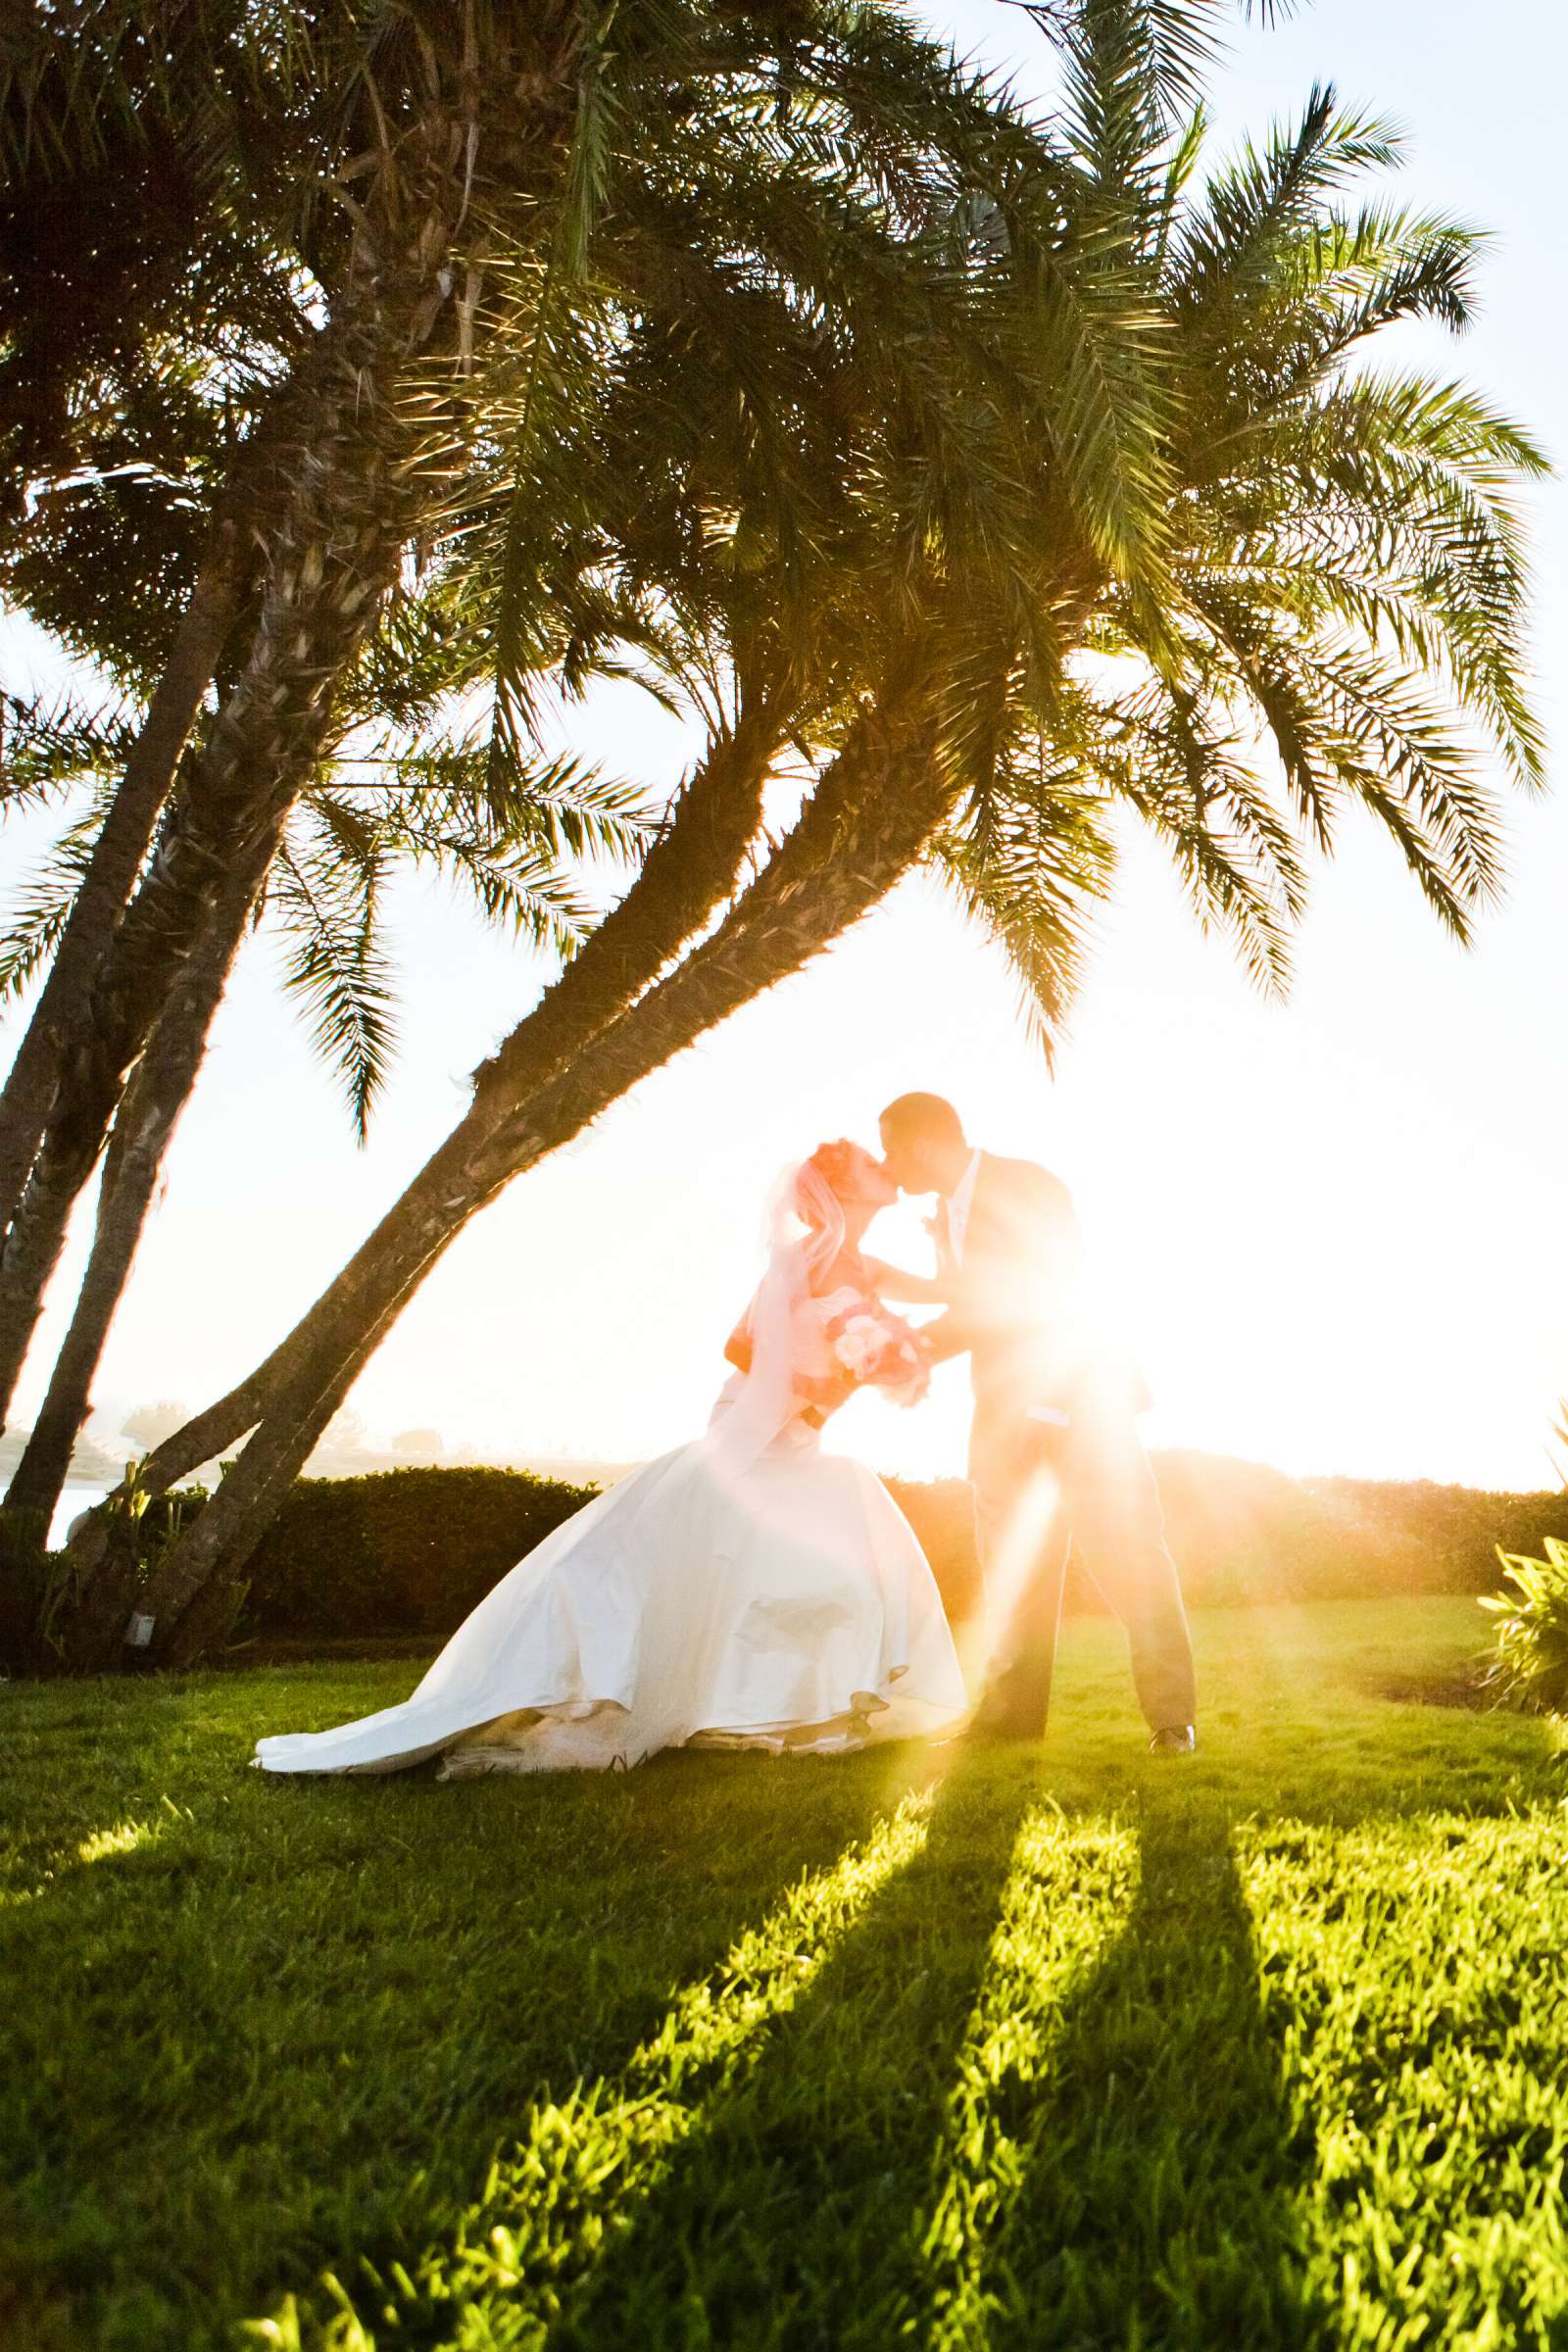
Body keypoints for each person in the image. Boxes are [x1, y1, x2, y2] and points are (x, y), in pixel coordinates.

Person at [254, 1142, 967, 1777]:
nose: (887, 1166)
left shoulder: (865, 1265)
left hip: (800, 1437)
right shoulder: (802, 1260)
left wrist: (922, 1292)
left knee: (797, 1557)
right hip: (756, 1426)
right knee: (688, 1553)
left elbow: (942, 1296)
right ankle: (642, 1687)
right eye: (874, 1164)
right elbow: (756, 1356)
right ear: (842, 1190)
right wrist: (814, 1387)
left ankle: (793, 1711)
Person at [876, 1092, 1197, 1751]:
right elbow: (977, 1312)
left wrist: (1048, 1403)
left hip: (1084, 1407)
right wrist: (904, 1353)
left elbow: (1059, 1286)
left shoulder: (1026, 1185)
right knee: (1013, 1574)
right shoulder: (942, 1215)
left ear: (924, 1144)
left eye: (890, 1147)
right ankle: (1010, 1722)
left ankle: (1172, 1720)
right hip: (999, 1422)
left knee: (1131, 1559)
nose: (887, 1163)